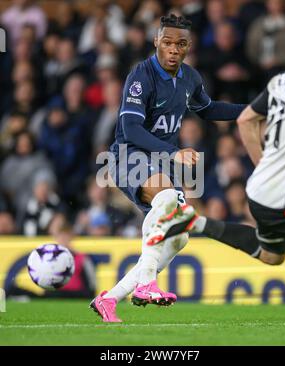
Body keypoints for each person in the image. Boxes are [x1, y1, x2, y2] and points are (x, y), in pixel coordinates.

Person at [89, 14, 245, 323]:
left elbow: (210, 108)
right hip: (128, 156)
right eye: (168, 42)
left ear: (189, 47)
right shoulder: (140, 76)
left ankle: (109, 299)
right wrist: (175, 153)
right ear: (156, 42)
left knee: (179, 233)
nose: (174, 49)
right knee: (168, 197)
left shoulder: (190, 78)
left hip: (159, 162)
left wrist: (250, 110)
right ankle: (147, 285)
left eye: (181, 44)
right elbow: (131, 129)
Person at [166, 30, 285, 270]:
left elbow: (246, 119)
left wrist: (262, 167)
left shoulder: (281, 81)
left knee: (272, 255)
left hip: (262, 190)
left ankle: (198, 223)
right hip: (283, 200)